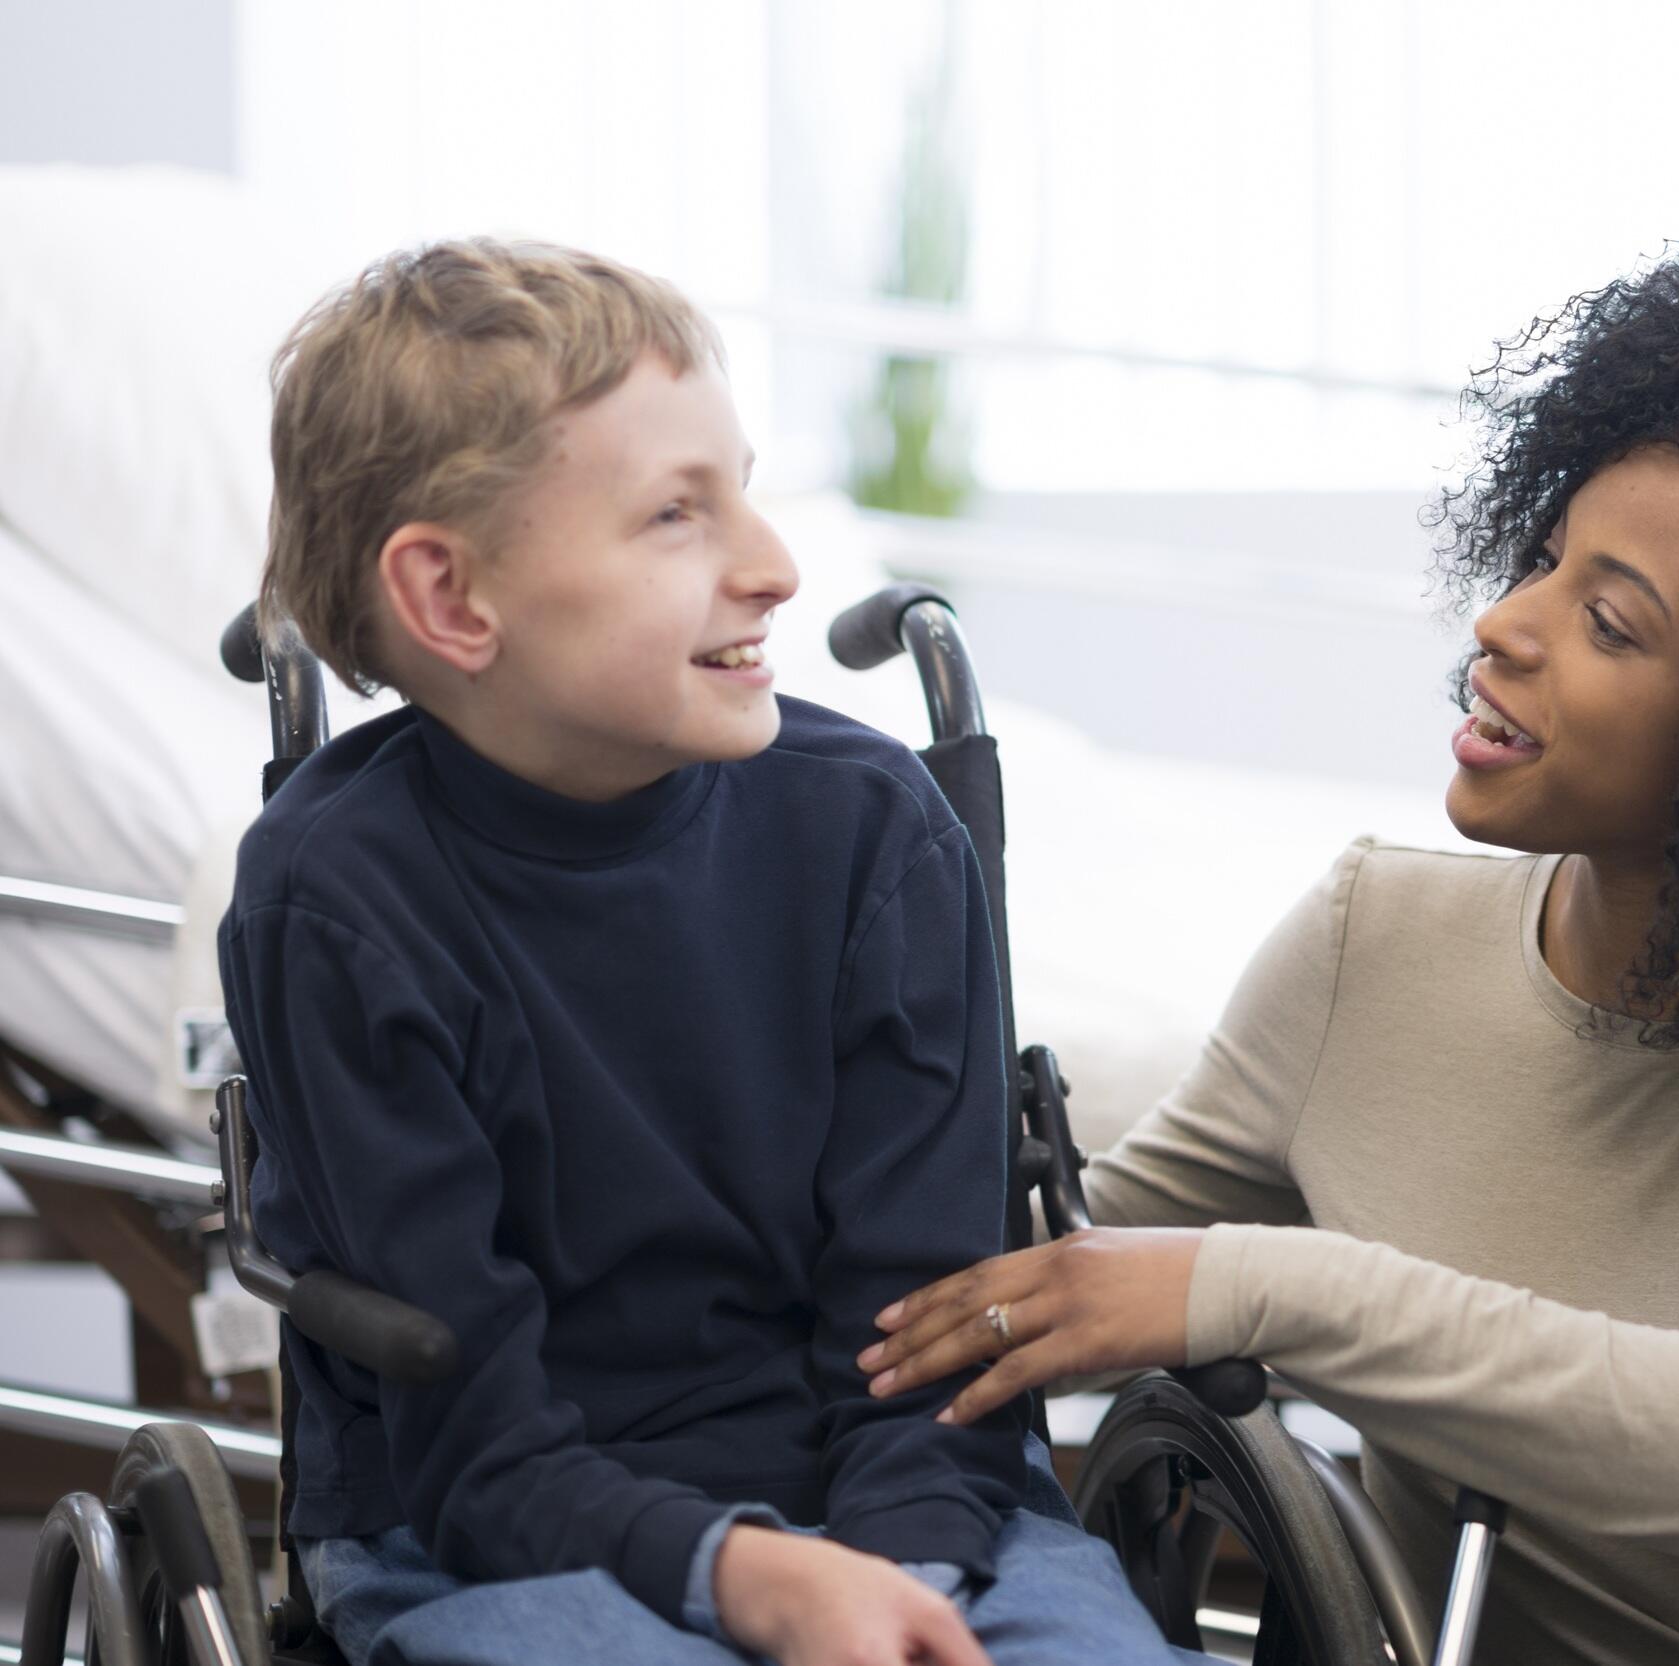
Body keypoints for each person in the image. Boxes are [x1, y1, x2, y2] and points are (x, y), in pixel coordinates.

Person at [856, 237, 1679, 1664]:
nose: (1501, 625)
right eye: (1544, 558)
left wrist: (1271, 1284)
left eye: (1609, 619)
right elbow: (1062, 1259)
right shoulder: (1369, 941)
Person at [219, 240, 1198, 1666]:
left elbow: (922, 1333)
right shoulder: (340, 901)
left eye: (746, 485)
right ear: (450, 599)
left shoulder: (873, 831)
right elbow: (476, 1446)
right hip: (486, 1533)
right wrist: (745, 1581)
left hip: (906, 1498)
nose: (776, 566)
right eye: (678, 514)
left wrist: (883, 1578)